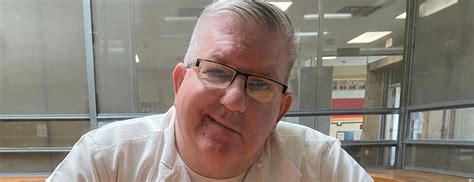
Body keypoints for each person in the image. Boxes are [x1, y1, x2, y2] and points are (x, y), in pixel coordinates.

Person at [48, 1, 373, 181]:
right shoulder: (107, 159)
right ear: (179, 83)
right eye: (217, 71)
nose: (234, 101)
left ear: (280, 111)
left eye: (260, 84)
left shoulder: (321, 163)